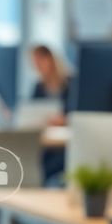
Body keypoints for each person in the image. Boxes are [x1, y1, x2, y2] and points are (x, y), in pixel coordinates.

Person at [31, 44, 71, 184]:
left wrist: (65, 120)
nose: (37, 66)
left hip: (65, 144)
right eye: (35, 63)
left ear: (51, 59)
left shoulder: (71, 84)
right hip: (46, 141)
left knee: (50, 166)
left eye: (40, 61)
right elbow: (32, 111)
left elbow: (77, 113)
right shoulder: (38, 87)